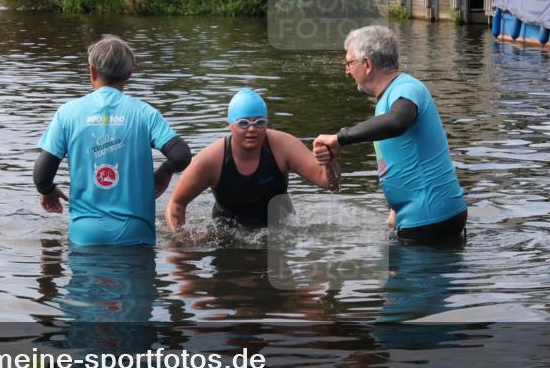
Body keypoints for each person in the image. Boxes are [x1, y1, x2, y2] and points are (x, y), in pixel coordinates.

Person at [313, 26, 467, 244]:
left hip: (430, 218)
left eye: (349, 63)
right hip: (419, 216)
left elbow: (398, 122)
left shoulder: (407, 88)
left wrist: (340, 138)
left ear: (367, 64)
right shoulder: (390, 96)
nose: (347, 71)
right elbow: (401, 157)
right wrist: (395, 208)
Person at [34, 35, 191, 246]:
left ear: (92, 71)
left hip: (85, 235)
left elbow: (41, 176)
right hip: (136, 234)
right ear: (129, 74)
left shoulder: (67, 114)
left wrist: (48, 191)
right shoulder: (145, 113)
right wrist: (164, 172)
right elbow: (181, 155)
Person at [165, 88, 339, 230]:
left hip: (281, 229)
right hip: (228, 233)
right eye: (243, 123)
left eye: (260, 122)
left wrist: (329, 163)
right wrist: (180, 241)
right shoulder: (211, 160)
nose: (252, 129)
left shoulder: (284, 146)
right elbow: (176, 202)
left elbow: (331, 184)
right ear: (230, 124)